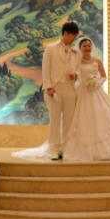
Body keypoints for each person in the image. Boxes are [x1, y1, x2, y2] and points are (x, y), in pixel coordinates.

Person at [59, 37, 110, 161]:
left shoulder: (97, 61)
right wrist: (76, 79)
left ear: (92, 47)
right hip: (82, 92)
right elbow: (76, 76)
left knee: (101, 115)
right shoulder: (77, 62)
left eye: (89, 46)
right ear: (80, 48)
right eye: (84, 46)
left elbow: (104, 76)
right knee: (82, 116)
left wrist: (96, 83)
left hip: (96, 91)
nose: (87, 48)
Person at [17, 22, 80, 160]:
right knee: (55, 120)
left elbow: (79, 69)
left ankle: (66, 149)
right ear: (66, 33)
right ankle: (54, 149)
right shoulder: (51, 48)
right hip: (55, 88)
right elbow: (45, 69)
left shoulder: (76, 51)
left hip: (70, 88)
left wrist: (76, 75)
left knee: (69, 120)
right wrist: (49, 87)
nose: (74, 39)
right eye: (73, 36)